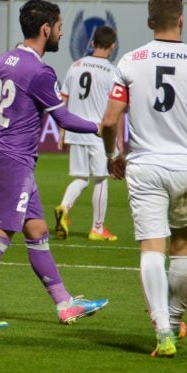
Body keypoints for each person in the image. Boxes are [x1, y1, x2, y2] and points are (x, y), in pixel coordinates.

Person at [0, 0, 109, 328]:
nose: (61, 32)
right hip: (13, 161)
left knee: (38, 231)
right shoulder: (40, 71)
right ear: (46, 29)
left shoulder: (3, 61)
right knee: (0, 234)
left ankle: (64, 304)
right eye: (60, 27)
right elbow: (62, 117)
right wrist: (98, 127)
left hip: (7, 159)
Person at [101, 0, 187, 357]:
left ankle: (162, 331)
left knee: (151, 248)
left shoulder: (130, 61)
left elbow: (110, 120)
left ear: (149, 23)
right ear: (182, 19)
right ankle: (175, 322)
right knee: (182, 247)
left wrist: (114, 154)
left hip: (145, 167)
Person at [54, 26, 120, 242]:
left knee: (81, 178)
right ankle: (98, 229)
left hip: (75, 129)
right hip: (98, 132)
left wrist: (62, 131)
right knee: (101, 179)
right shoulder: (112, 71)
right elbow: (115, 109)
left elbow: (63, 99)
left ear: (92, 43)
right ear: (112, 46)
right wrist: (118, 141)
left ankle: (64, 206)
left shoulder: (76, 66)